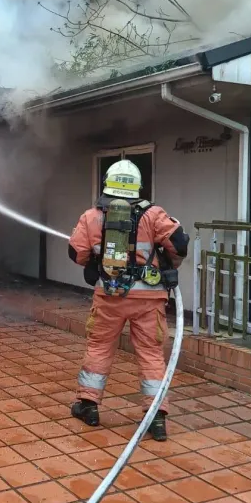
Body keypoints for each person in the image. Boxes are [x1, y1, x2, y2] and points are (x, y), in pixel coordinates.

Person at [68, 160, 188, 441]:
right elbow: (180, 245)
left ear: (107, 183)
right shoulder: (154, 214)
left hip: (109, 297)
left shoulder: (92, 216)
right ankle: (156, 417)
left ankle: (88, 406)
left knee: (99, 347)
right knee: (151, 354)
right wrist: (168, 263)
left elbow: (76, 253)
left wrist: (96, 261)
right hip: (149, 299)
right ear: (137, 186)